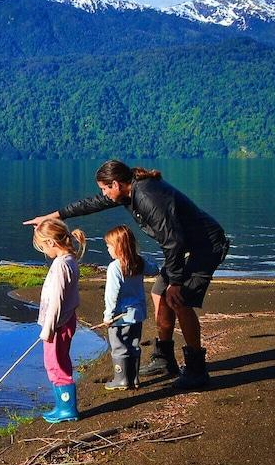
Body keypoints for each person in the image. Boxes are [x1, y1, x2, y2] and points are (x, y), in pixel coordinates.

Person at [24, 160, 229, 389]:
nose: (103, 194)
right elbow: (93, 204)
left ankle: (196, 371)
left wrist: (177, 283)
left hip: (205, 246)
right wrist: (53, 216)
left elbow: (173, 241)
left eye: (104, 188)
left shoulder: (147, 196)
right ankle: (165, 358)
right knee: (159, 294)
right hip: (183, 246)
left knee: (180, 300)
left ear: (116, 184)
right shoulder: (127, 192)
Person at [33, 218, 86, 423]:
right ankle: (63, 406)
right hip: (65, 320)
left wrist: (48, 329)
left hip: (57, 324)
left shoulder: (61, 265)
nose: (44, 252)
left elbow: (56, 301)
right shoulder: (70, 259)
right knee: (60, 361)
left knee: (55, 364)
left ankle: (66, 408)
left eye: (43, 246)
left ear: (52, 243)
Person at [102, 225, 157, 390]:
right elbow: (154, 269)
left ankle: (121, 379)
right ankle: (134, 378)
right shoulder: (139, 261)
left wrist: (108, 316)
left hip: (120, 316)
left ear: (118, 247)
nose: (107, 249)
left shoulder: (114, 267)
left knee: (119, 346)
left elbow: (112, 295)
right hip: (137, 314)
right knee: (134, 345)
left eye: (109, 246)